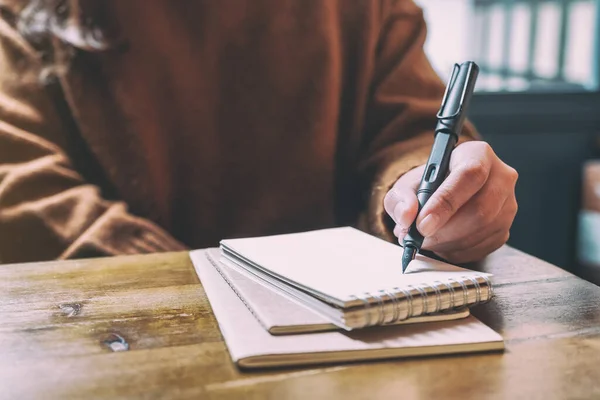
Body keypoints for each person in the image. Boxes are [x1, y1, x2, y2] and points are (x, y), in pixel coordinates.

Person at [0, 0, 517, 264]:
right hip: (108, 347)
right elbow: (18, 185)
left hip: (341, 353)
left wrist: (433, 199)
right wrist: (207, 283)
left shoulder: (368, 9)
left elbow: (409, 139)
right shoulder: (24, 14)